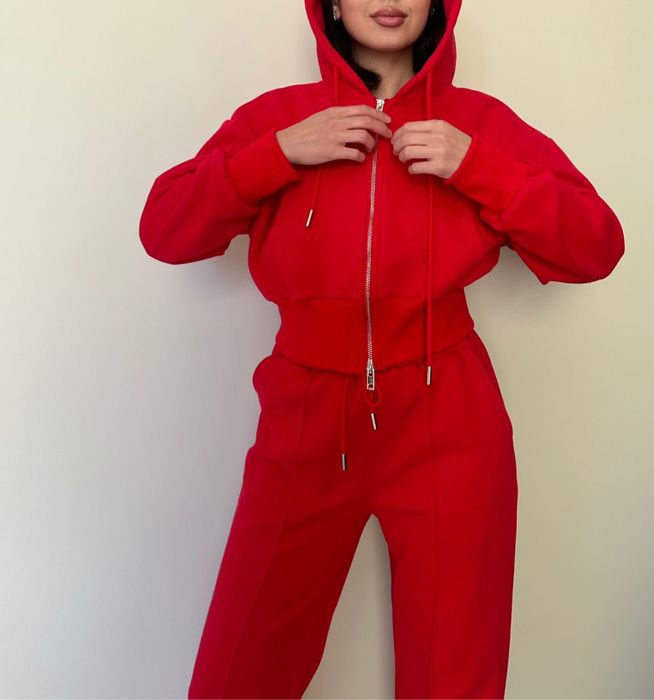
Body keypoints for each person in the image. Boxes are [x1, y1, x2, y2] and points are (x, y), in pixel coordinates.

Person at [139, 0, 625, 697]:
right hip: (304, 417)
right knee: (239, 669)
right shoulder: (279, 119)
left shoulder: (479, 125)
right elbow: (164, 229)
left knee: (454, 674)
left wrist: (478, 166)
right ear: (332, 5)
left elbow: (595, 246)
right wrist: (276, 154)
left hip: (449, 415)